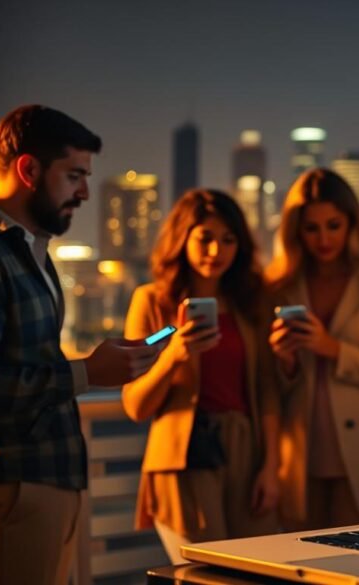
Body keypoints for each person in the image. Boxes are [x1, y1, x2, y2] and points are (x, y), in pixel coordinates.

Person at [0, 105, 162, 584]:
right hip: (6, 488)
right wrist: (88, 373)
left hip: (39, 483)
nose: (84, 192)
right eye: (75, 176)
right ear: (29, 169)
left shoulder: (25, 249)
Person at [121, 189, 281, 563]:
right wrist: (174, 355)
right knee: (206, 573)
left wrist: (272, 468)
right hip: (185, 453)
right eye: (205, 238)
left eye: (228, 240)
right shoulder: (152, 302)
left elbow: (268, 391)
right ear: (182, 238)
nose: (216, 251)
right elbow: (135, 405)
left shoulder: (250, 304)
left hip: (247, 448)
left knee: (255, 570)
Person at [265, 168, 359, 530]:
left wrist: (331, 348)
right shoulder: (278, 285)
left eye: (333, 225)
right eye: (311, 228)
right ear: (295, 230)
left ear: (352, 224)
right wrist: (285, 360)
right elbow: (263, 386)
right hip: (298, 451)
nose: (323, 238)